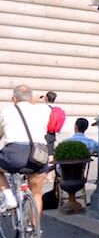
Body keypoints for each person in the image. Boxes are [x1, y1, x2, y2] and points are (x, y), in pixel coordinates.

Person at [0, 85, 50, 215]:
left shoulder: (7, 111)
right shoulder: (43, 111)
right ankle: (34, 231)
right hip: (38, 154)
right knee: (37, 193)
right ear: (31, 98)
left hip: (14, 154)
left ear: (13, 98)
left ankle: (8, 196)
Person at [43, 91, 66, 155]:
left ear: (46, 98)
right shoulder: (57, 109)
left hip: (43, 133)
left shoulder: (43, 108)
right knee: (50, 154)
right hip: (52, 134)